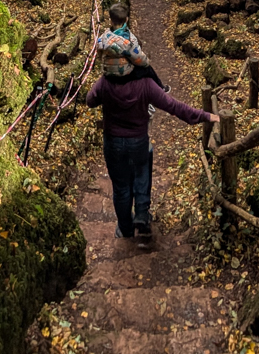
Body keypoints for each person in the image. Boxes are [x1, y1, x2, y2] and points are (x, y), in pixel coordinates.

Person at [87, 69, 218, 246]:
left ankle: (125, 229)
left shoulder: (105, 82)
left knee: (120, 187)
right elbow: (174, 106)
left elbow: (90, 101)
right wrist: (206, 116)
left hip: (113, 143)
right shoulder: (146, 84)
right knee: (142, 174)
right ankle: (142, 217)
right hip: (138, 142)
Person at [98, 2, 165, 89]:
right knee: (147, 69)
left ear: (110, 21)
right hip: (124, 76)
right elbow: (138, 58)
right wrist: (146, 62)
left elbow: (99, 54)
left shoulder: (102, 38)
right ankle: (161, 88)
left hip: (108, 75)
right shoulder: (128, 40)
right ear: (126, 19)